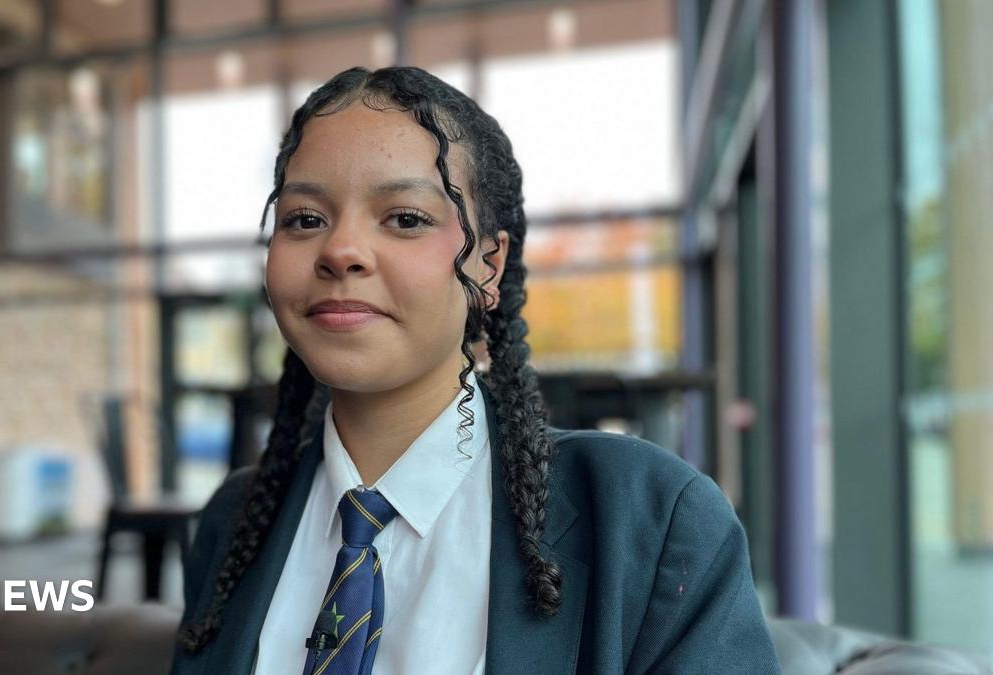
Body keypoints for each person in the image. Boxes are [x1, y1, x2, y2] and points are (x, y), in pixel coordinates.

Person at [168, 65, 780, 675]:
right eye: (305, 219)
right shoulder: (234, 523)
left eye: (405, 218)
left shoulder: (649, 517)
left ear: (488, 266)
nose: (340, 251)